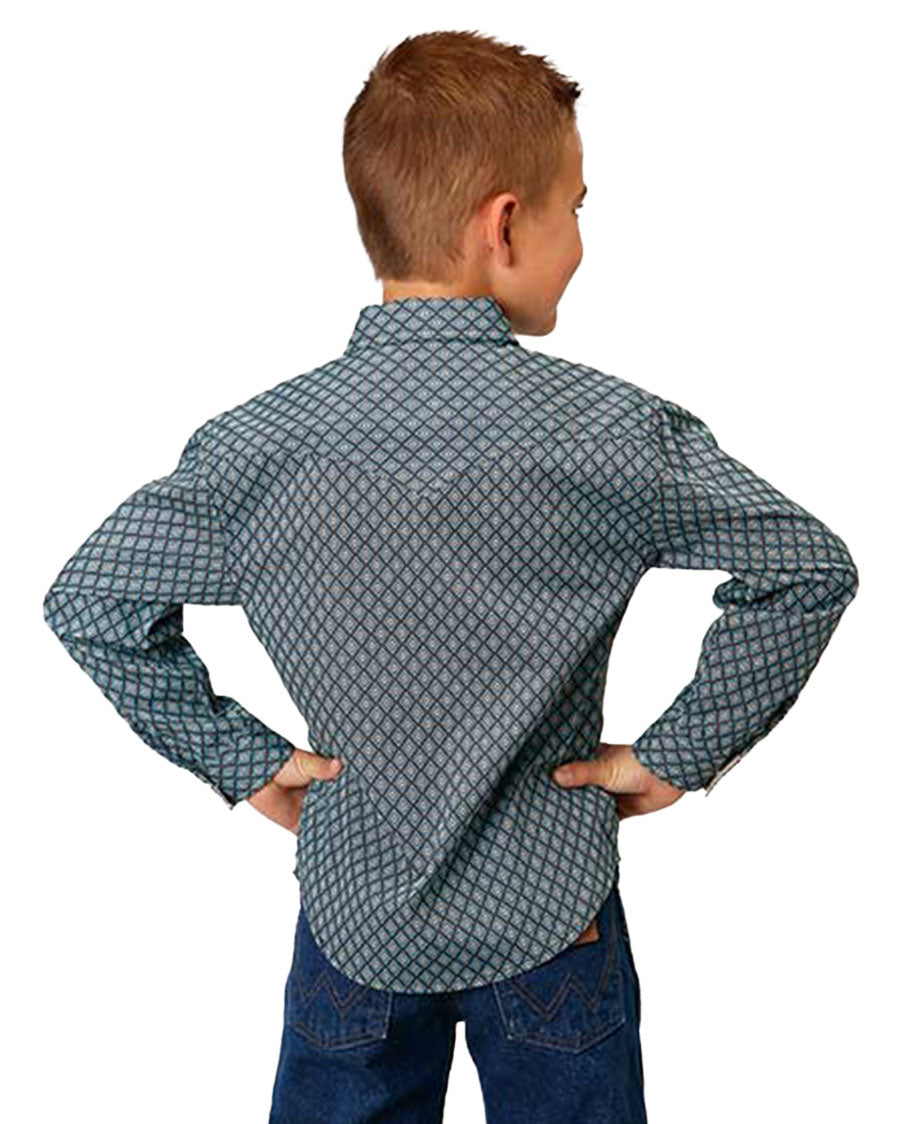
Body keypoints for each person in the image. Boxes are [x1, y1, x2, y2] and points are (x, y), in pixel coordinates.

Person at [42, 30, 859, 1124]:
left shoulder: (257, 449)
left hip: (358, 914)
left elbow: (92, 601)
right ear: (504, 224)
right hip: (554, 907)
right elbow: (806, 566)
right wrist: (679, 755)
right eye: (578, 207)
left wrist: (248, 762)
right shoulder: (614, 432)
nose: (583, 239)